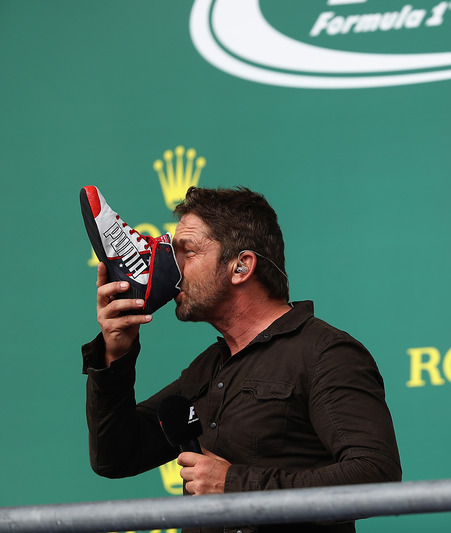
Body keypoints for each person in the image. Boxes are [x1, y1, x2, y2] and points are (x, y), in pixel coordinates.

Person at [82, 186, 402, 533]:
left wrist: (234, 485)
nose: (172, 271)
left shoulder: (324, 353)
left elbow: (375, 475)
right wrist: (116, 354)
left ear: (240, 267)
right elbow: (114, 456)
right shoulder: (209, 366)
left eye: (186, 252)